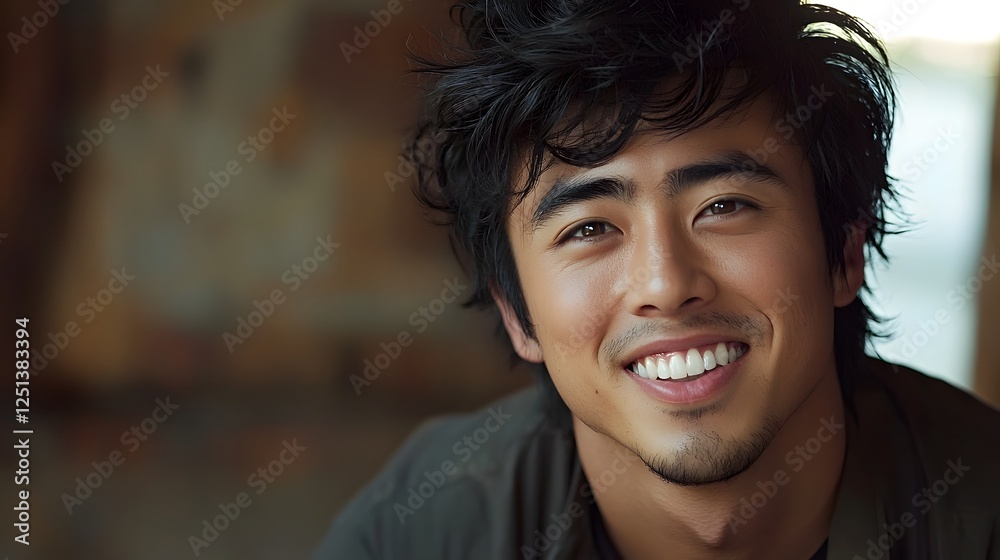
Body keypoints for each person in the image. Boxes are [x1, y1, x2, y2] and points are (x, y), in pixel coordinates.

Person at [313, 0, 1000, 558]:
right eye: (589, 229)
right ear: (517, 313)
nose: (666, 284)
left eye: (724, 206)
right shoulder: (421, 526)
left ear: (844, 253)